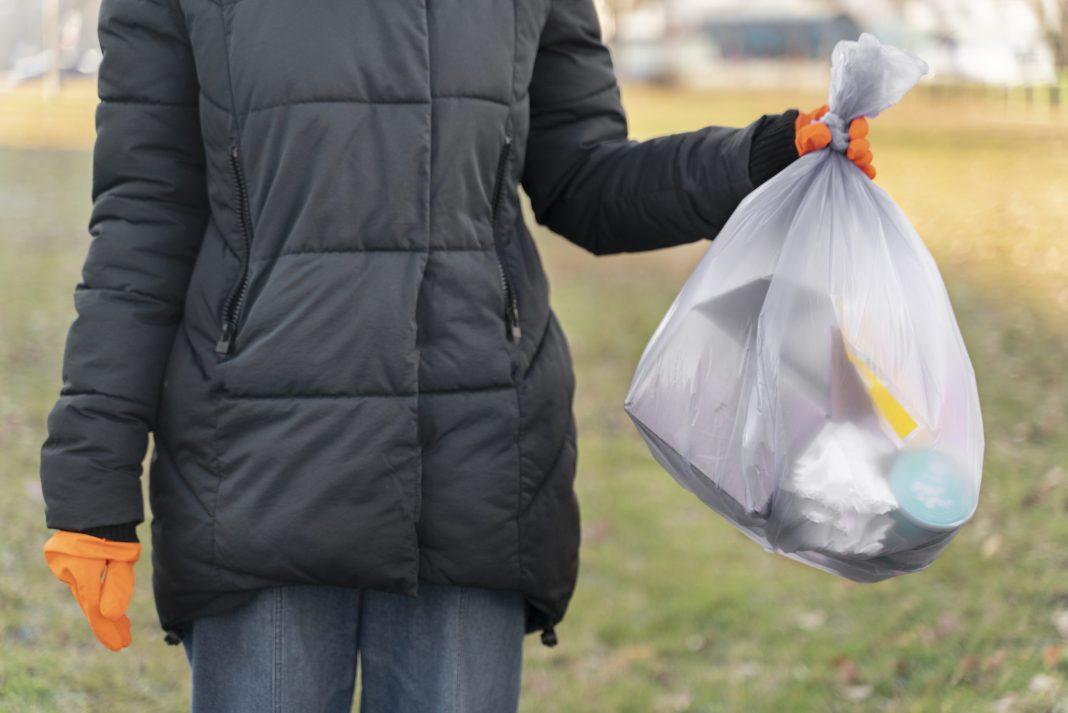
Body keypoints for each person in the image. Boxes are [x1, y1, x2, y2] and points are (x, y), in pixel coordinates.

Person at [39, 0, 873, 710]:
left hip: (472, 458)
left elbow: (582, 177)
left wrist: (760, 159)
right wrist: (91, 479)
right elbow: (146, 219)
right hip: (256, 469)